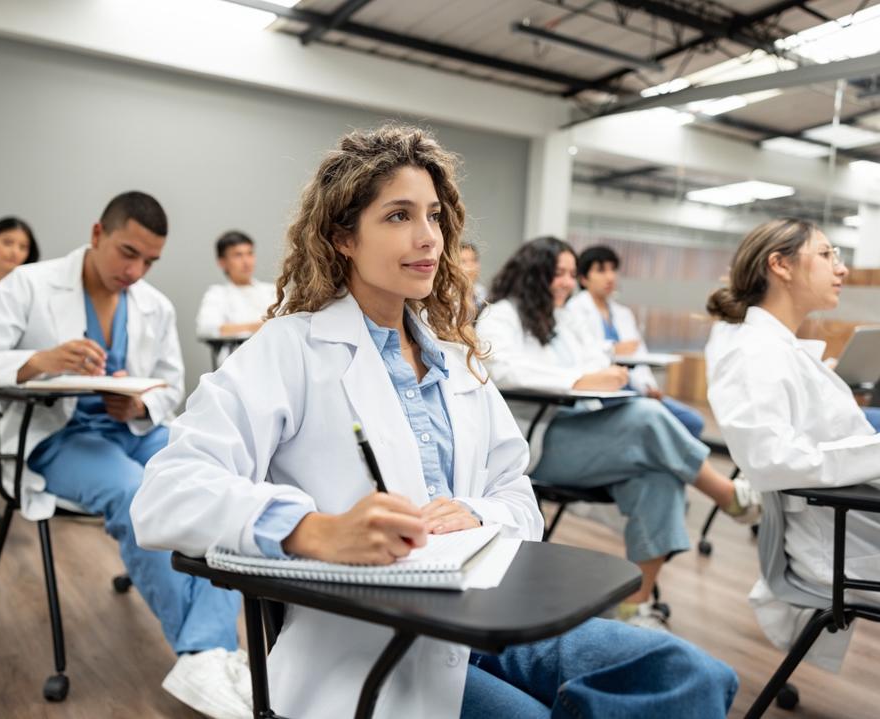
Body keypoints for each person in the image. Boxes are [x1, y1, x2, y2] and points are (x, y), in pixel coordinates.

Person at [131, 125, 738, 719]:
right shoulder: (290, 349)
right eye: (398, 216)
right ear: (343, 237)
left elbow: (518, 496)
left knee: (691, 675)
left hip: (485, 612)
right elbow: (166, 493)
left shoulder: (455, 358)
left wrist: (478, 513)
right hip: (376, 644)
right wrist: (312, 530)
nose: (428, 238)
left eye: (434, 216)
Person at [0, 192, 249, 719]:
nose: (136, 270)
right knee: (136, 494)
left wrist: (137, 403)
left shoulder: (154, 304)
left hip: (128, 429)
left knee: (213, 482)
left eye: (150, 261)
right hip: (57, 439)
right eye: (128, 253)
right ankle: (204, 655)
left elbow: (171, 385)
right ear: (98, 233)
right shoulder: (29, 284)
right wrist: (38, 361)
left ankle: (214, 648)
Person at [476, 236, 760, 628]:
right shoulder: (502, 315)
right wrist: (581, 377)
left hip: (585, 433)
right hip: (542, 442)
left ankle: (635, 605)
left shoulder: (561, 319)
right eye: (557, 273)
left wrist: (608, 372)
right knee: (646, 417)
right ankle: (725, 493)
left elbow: (596, 358)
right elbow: (503, 370)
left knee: (657, 476)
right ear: (531, 273)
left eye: (571, 275)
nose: (565, 283)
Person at [706, 217, 880, 671]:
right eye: (826, 256)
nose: (840, 269)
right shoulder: (754, 354)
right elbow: (770, 459)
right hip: (839, 542)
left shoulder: (778, 348)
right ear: (779, 265)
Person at [566, 245, 704, 438]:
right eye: (601, 270)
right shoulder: (574, 310)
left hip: (635, 388)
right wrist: (613, 349)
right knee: (656, 424)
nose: (610, 277)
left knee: (692, 421)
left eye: (613, 269)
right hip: (605, 390)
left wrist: (650, 386)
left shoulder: (623, 314)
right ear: (583, 278)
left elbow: (639, 353)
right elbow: (582, 352)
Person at [196, 230, 275, 338]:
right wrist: (259, 326)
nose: (246, 261)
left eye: (250, 253)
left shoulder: (272, 291)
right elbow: (206, 329)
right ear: (222, 262)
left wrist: (234, 328)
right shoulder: (217, 294)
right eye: (238, 255)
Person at [459, 241, 487, 313]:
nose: (470, 265)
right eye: (463, 261)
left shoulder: (482, 293)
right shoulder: (446, 296)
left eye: (474, 260)